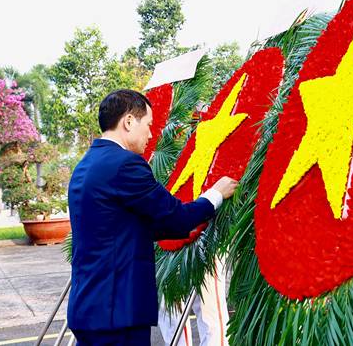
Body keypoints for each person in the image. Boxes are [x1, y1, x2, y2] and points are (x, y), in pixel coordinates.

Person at [67, 89, 238, 346]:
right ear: (128, 121)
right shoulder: (125, 164)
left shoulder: (86, 164)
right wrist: (215, 195)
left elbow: (125, 227)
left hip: (90, 308)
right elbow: (175, 216)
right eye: (148, 125)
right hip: (117, 314)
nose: (150, 134)